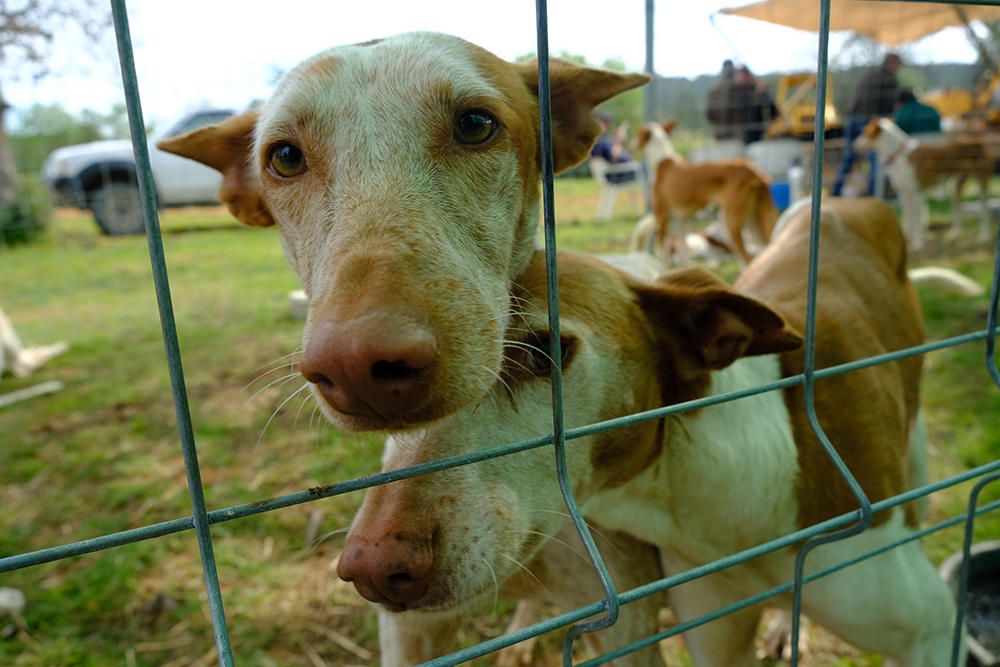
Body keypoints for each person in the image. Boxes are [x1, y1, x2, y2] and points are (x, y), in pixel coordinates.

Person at [832, 53, 902, 197]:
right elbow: (890, 107)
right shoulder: (890, 80)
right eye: (897, 64)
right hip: (871, 122)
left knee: (848, 158)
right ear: (891, 63)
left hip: (853, 119)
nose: (897, 68)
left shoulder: (868, 75)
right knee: (875, 157)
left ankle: (836, 192)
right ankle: (873, 194)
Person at [732, 66, 778, 144]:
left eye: (744, 76)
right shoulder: (736, 92)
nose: (742, 79)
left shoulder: (758, 90)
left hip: (756, 132)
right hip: (740, 133)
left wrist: (768, 122)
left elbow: (773, 109)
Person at [590, 114, 637, 184]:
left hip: (622, 170)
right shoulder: (601, 141)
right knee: (645, 169)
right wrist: (619, 141)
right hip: (617, 174)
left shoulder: (604, 139)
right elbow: (615, 157)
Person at [706, 59, 739, 141]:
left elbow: (710, 114)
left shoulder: (715, 91)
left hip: (722, 133)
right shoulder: (740, 89)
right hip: (736, 134)